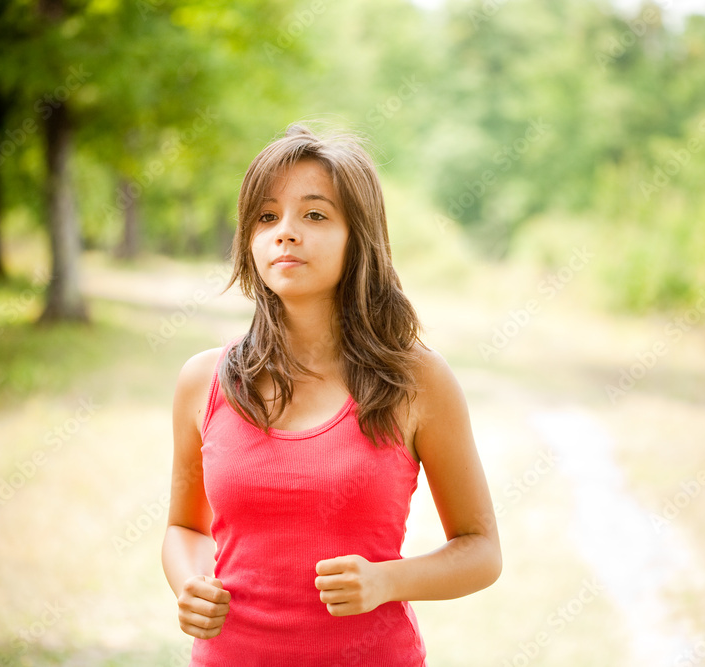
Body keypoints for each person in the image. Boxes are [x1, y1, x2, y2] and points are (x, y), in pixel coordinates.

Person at [161, 123, 502, 665]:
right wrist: (190, 583)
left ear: (358, 236)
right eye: (267, 217)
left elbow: (481, 551)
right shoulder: (204, 381)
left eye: (314, 215)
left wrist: (387, 581)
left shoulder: (417, 381)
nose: (285, 232)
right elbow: (184, 526)